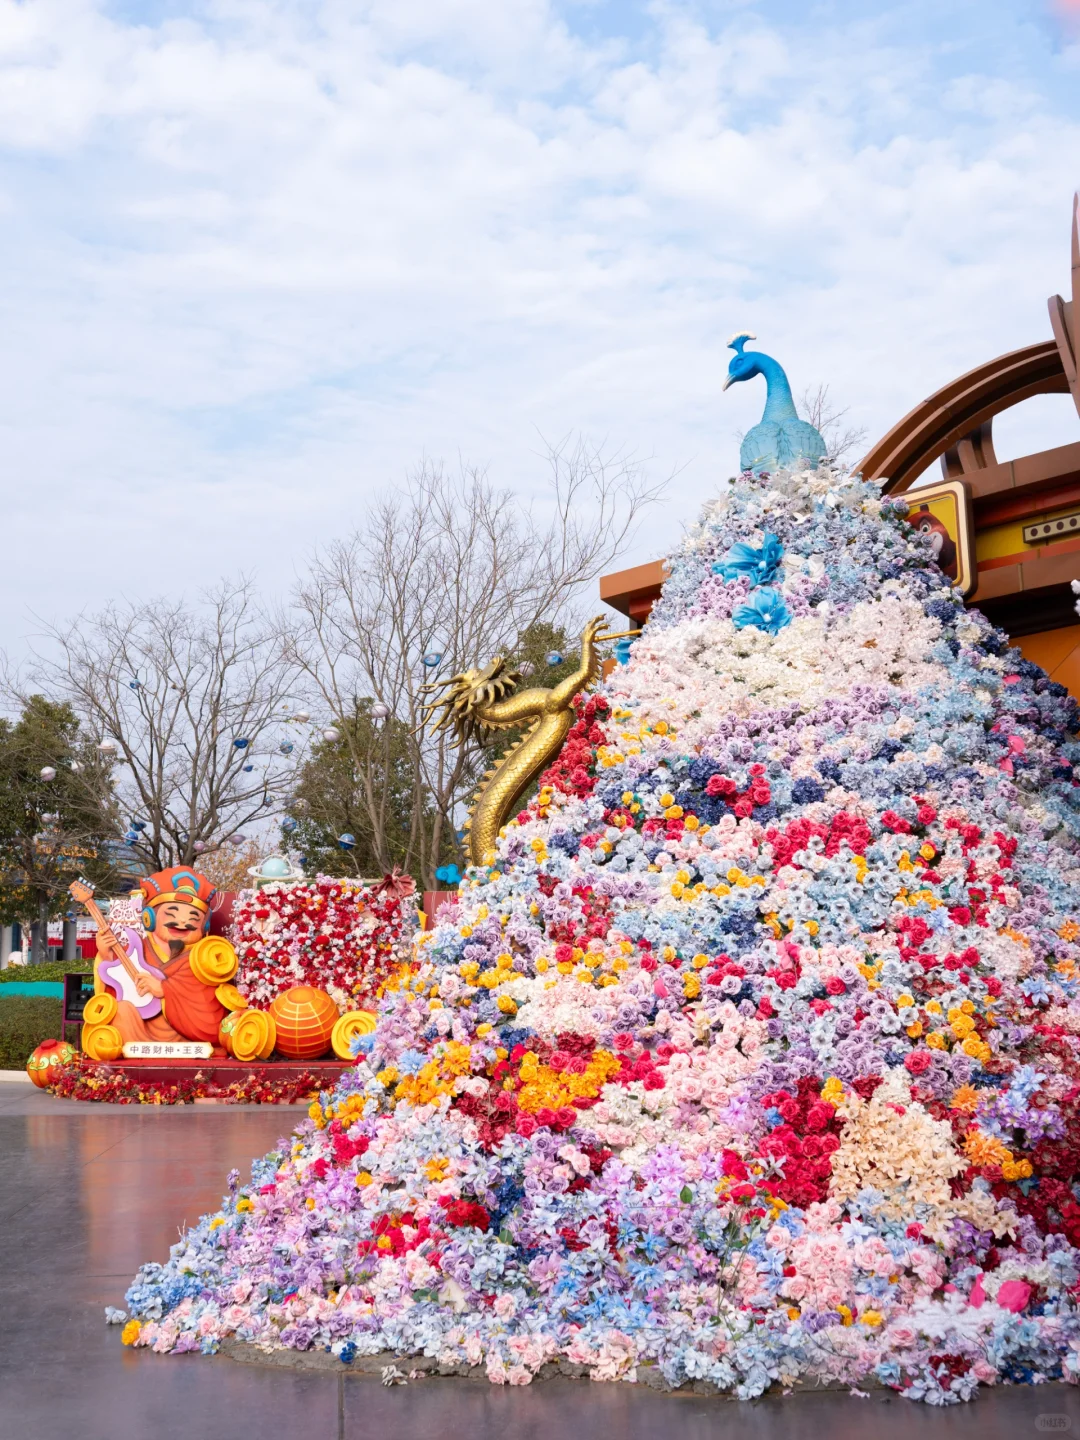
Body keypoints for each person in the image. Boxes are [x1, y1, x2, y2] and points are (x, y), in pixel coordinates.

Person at [96, 867, 230, 1050]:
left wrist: (165, 989)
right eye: (171, 914)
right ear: (149, 917)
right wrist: (106, 955)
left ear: (203, 926)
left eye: (193, 917)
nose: (182, 922)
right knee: (120, 1011)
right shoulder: (136, 950)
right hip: (138, 1036)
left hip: (187, 1043)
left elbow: (209, 1014)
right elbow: (116, 990)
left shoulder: (204, 959)